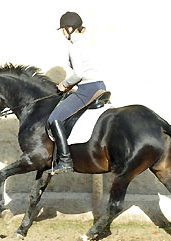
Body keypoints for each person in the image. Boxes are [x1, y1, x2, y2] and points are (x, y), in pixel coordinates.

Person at [48, 11, 107, 175]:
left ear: (69, 29)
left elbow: (78, 74)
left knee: (55, 118)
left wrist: (64, 84)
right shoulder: (89, 43)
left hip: (87, 89)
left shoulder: (75, 47)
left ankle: (65, 160)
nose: (63, 33)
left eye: (63, 30)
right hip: (100, 85)